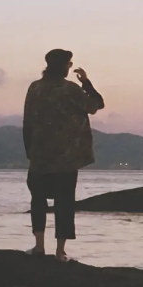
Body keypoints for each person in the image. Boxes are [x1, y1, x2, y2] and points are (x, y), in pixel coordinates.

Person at [22, 49, 104, 261]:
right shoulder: (71, 89)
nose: (70, 66)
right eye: (69, 63)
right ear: (62, 66)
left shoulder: (35, 88)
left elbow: (27, 121)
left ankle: (39, 247)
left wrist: (29, 151)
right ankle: (60, 252)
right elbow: (96, 105)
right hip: (66, 158)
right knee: (64, 203)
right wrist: (86, 82)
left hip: (39, 155)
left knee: (37, 200)